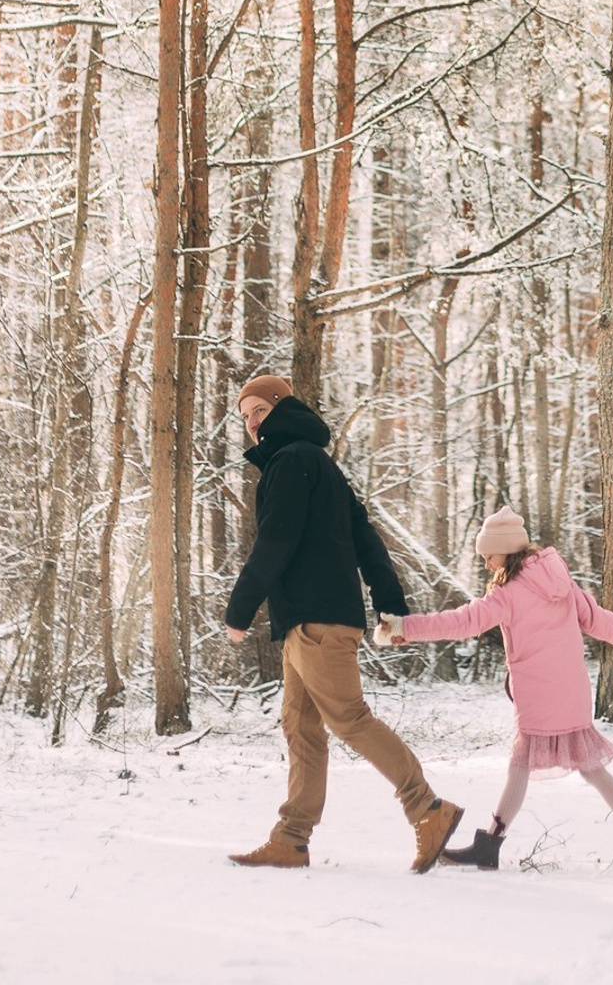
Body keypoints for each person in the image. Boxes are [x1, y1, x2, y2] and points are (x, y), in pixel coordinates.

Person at [222, 373, 464, 873]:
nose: (251, 422)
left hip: (317, 620)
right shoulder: (323, 466)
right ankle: (291, 839)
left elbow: (277, 540)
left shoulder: (290, 462)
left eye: (258, 411)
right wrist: (388, 602)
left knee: (348, 719)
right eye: (244, 415)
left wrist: (240, 607)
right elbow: (367, 539)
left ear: (281, 408)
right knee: (302, 727)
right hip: (308, 622)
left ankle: (428, 810)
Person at [376, 506, 613, 875]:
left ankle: (491, 846)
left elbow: (463, 621)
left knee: (528, 764)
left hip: (538, 693)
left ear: (506, 551)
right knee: (582, 767)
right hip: (570, 690)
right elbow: (597, 619)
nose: (486, 564)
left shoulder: (509, 593)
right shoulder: (561, 581)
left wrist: (406, 627)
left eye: (488, 555)